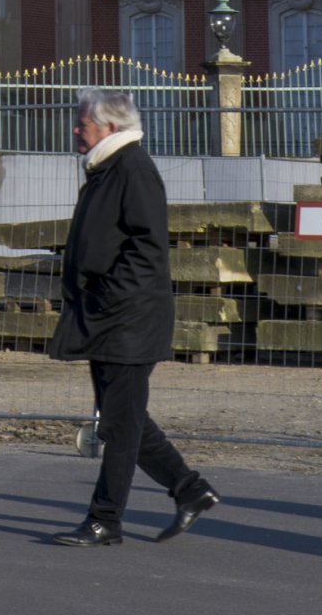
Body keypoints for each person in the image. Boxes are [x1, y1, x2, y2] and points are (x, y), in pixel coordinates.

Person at [47, 90, 219, 546]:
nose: (75, 129)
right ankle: (190, 490)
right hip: (110, 316)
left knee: (120, 426)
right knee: (123, 418)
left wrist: (108, 297)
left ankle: (105, 520)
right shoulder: (107, 169)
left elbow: (146, 248)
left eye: (83, 123)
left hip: (127, 319)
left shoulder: (132, 169)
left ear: (109, 127)